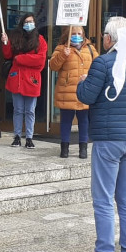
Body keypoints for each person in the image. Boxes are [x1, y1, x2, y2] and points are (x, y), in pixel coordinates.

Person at [75, 16, 126, 252]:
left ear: (110, 38)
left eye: (105, 36)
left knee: (104, 198)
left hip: (108, 140)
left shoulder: (103, 63)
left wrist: (81, 82)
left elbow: (86, 95)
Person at [49, 26, 99, 158]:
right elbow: (53, 66)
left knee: (84, 121)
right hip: (67, 91)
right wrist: (62, 56)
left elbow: (98, 67)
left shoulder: (90, 49)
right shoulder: (61, 48)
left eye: (79, 33)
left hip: (84, 90)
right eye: (74, 33)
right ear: (68, 34)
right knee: (66, 121)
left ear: (83, 35)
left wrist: (90, 77)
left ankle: (83, 148)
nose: (76, 36)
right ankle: (64, 148)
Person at [0, 13, 48, 149]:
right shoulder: (16, 38)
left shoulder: (40, 40)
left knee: (30, 111)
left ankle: (29, 138)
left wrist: (20, 59)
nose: (29, 24)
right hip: (17, 79)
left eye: (31, 21)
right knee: (18, 110)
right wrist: (5, 42)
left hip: (31, 81)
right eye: (26, 22)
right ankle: (16, 137)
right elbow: (8, 54)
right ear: (22, 24)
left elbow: (40, 61)